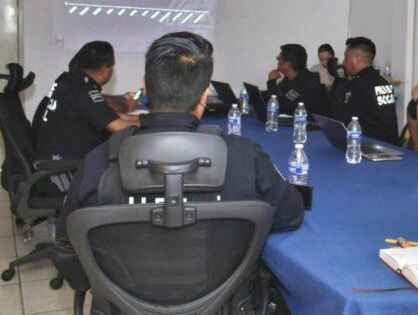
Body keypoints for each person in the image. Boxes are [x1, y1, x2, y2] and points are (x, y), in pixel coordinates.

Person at [59, 32, 304, 231]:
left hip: (119, 279)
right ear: (205, 96)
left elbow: (67, 245)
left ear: (145, 87)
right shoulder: (246, 157)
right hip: (224, 278)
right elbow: (290, 215)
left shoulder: (98, 160)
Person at [35, 41, 139, 163]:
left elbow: (108, 115)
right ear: (104, 69)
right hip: (66, 164)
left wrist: (142, 118)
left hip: (51, 156)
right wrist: (152, 122)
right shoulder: (82, 89)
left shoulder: (69, 80)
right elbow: (119, 127)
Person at [338, 37, 398, 144]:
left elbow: (347, 123)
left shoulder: (357, 86)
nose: (343, 62)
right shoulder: (384, 83)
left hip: (367, 146)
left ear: (357, 58)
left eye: (346, 57)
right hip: (391, 146)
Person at [267, 43, 327, 115]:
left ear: (288, 64)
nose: (278, 62)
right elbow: (276, 99)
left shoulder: (306, 83)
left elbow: (280, 108)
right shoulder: (287, 79)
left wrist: (271, 83)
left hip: (304, 121)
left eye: (279, 59)